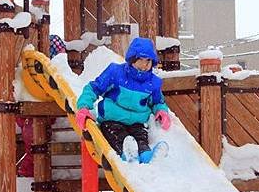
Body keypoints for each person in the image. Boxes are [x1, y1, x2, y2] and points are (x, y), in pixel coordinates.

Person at [75, 37, 171, 164]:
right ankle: (128, 155)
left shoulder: (153, 82)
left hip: (137, 123)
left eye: (148, 61)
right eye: (140, 60)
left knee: (140, 139)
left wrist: (161, 111)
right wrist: (83, 107)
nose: (144, 65)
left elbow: (158, 102)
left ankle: (148, 156)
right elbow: (93, 88)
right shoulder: (116, 73)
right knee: (119, 137)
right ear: (132, 60)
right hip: (113, 120)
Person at [17, 34, 67, 177]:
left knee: (38, 147)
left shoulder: (59, 73)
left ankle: (33, 173)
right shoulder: (36, 72)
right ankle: (27, 174)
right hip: (33, 116)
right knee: (34, 145)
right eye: (59, 54)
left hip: (47, 116)